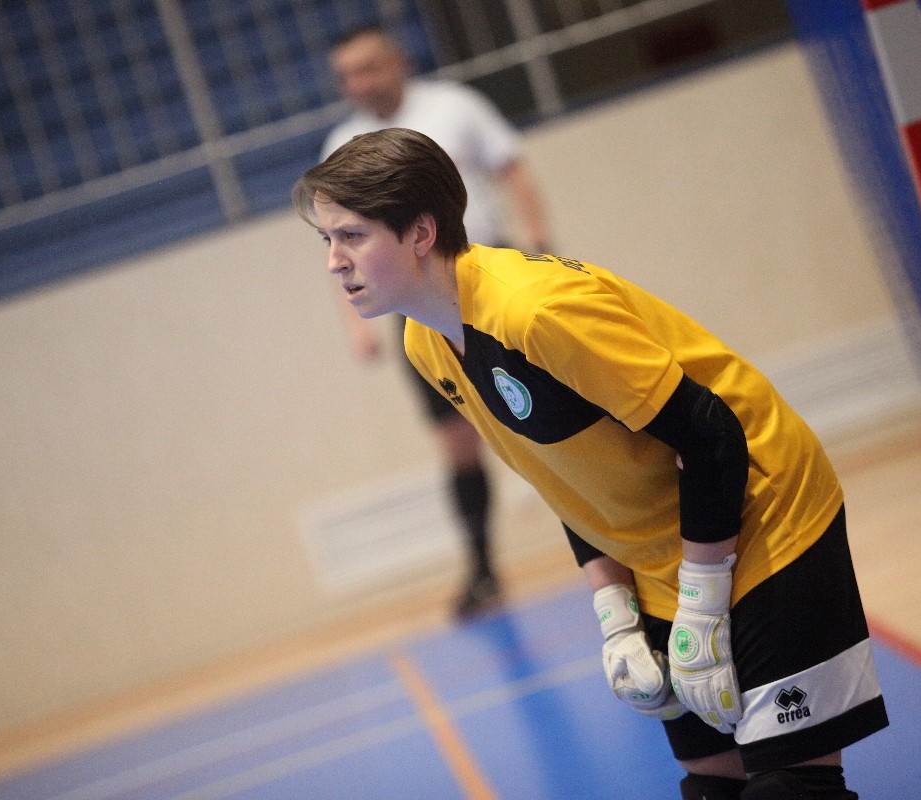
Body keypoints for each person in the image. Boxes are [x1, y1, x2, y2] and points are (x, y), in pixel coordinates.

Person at [293, 128, 888, 799]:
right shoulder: (426, 343)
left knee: (790, 789)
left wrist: (701, 606)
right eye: (327, 240)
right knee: (712, 789)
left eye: (352, 236)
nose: (334, 262)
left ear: (421, 233)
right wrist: (617, 614)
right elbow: (565, 476)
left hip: (764, 515)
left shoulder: (535, 311)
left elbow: (713, 438)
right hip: (667, 550)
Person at [320, 25, 551, 619]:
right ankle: (482, 569)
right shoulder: (342, 144)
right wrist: (356, 322)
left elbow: (512, 168)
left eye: (369, 67)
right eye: (347, 75)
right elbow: (340, 241)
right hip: (414, 307)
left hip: (487, 280)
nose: (360, 82)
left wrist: (539, 242)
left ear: (397, 61)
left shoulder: (454, 106)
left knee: (548, 406)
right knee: (457, 440)